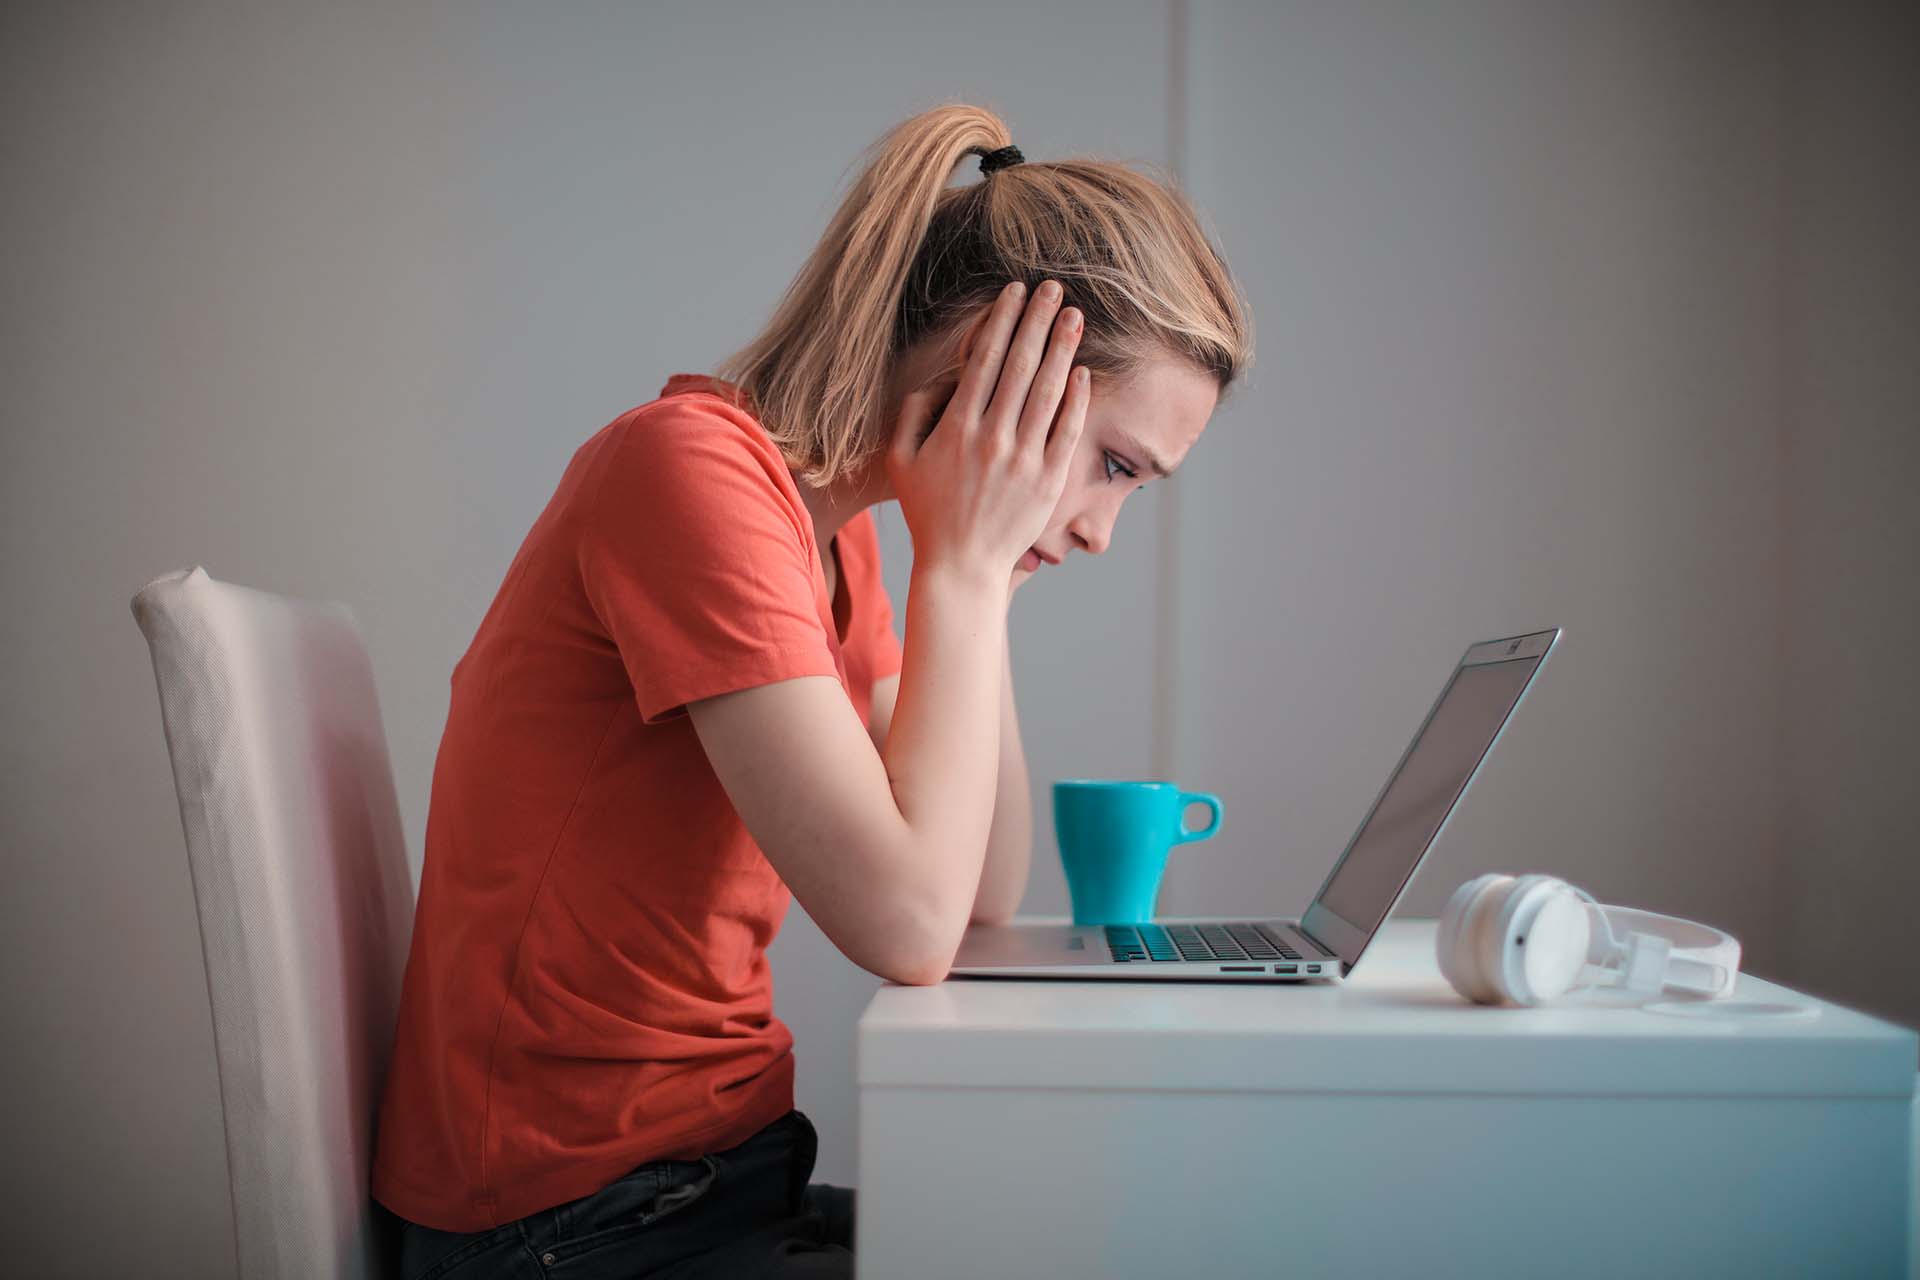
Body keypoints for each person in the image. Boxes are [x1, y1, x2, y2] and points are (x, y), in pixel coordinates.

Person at [370, 102, 1253, 1279]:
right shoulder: (690, 476)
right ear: (1001, 367)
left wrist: (978, 570)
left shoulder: (837, 541)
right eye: (1115, 465)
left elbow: (979, 887)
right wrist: (970, 569)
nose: (1104, 529)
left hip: (714, 1173)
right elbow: (910, 928)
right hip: (568, 1220)